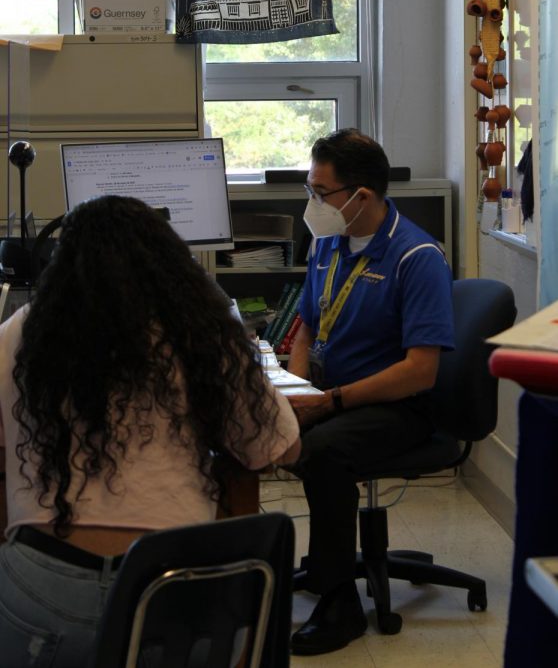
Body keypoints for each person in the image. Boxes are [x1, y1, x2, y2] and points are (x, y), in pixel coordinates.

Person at [0, 195, 300, 668]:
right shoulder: (201, 333)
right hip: (172, 592)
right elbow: (278, 447)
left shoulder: (21, 331)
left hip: (44, 591)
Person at [286, 129, 454, 656]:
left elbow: (420, 372)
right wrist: (294, 390)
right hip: (333, 392)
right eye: (310, 190)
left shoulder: (417, 256)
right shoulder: (327, 243)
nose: (312, 204)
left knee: (325, 451)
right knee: (270, 428)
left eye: (320, 192)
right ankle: (319, 565)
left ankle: (340, 606)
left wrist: (328, 404)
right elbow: (307, 326)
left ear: (362, 195)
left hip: (400, 406)